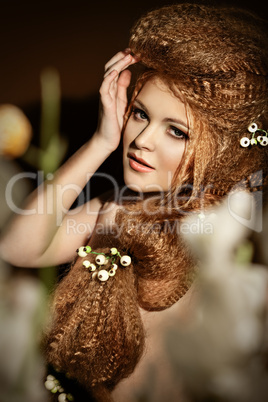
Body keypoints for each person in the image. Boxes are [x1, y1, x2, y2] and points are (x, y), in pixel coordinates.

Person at [0, 2, 268, 401]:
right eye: (140, 114)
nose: (142, 140)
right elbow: (18, 246)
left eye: (176, 132)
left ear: (223, 152)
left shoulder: (225, 242)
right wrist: (101, 141)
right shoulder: (115, 207)